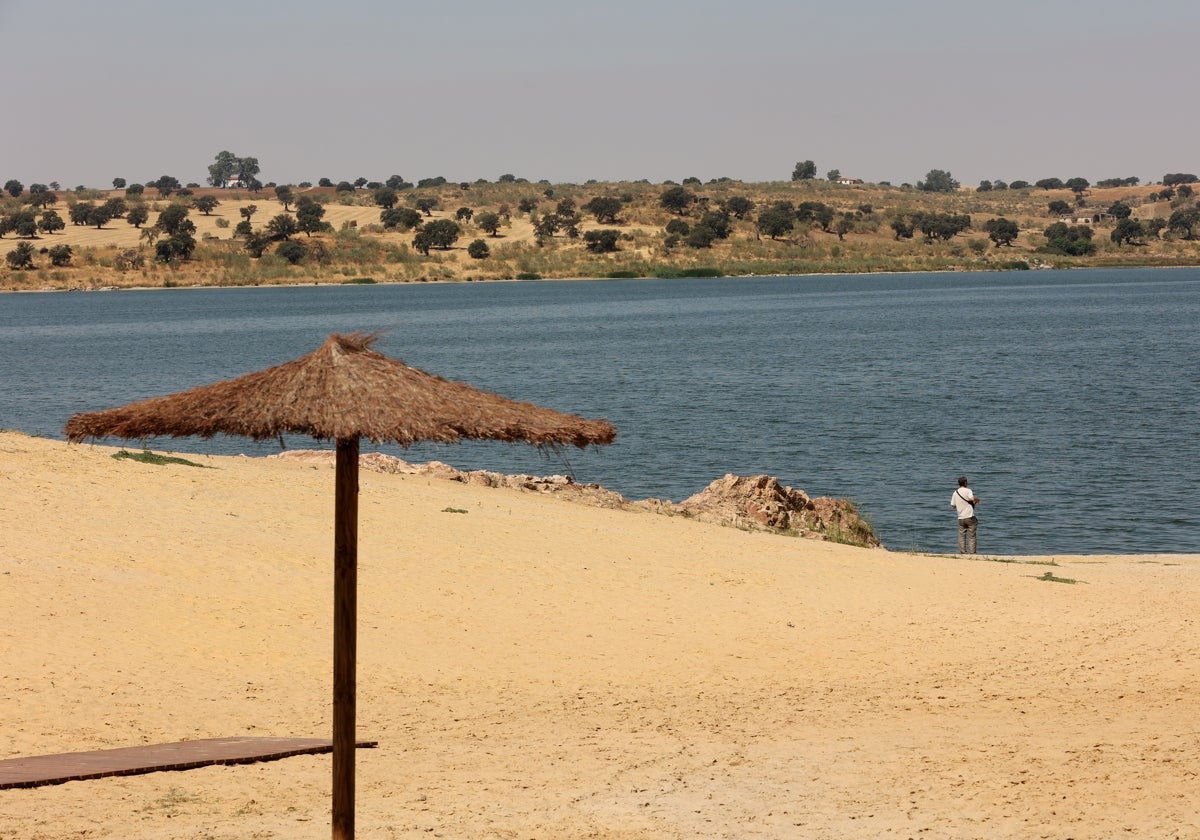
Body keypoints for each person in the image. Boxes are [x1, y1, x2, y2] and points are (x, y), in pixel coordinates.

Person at [950, 476, 980, 554]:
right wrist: (977, 500)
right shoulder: (968, 490)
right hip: (969, 516)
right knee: (972, 536)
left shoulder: (955, 492)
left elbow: (953, 505)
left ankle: (963, 552)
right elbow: (971, 498)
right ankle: (972, 553)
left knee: (961, 536)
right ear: (965, 482)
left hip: (960, 518)